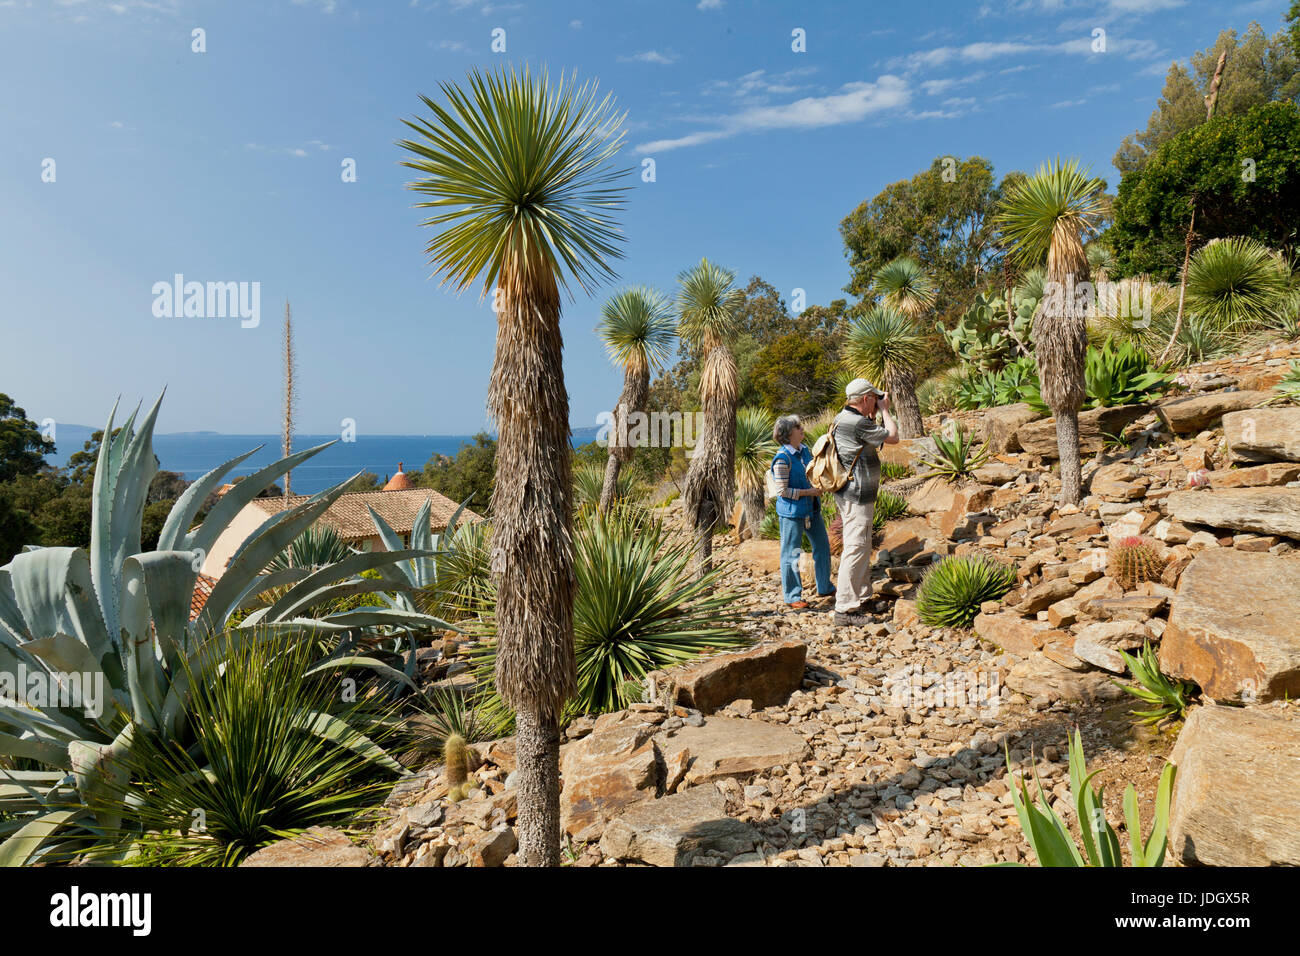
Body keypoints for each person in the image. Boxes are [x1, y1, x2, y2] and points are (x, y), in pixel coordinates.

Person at [832, 378, 900, 626]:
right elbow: (893, 437)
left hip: (851, 493)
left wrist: (875, 412)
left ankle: (861, 598)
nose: (877, 401)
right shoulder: (856, 422)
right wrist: (885, 410)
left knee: (861, 545)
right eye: (874, 398)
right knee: (855, 548)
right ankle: (844, 609)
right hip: (857, 494)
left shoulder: (843, 417)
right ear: (865, 399)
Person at [770, 414, 833, 610]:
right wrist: (810, 492)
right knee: (791, 554)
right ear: (788, 434)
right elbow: (782, 491)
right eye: (798, 427)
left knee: (822, 547)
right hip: (792, 514)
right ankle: (792, 596)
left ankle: (824, 586)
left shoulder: (806, 450)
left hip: (812, 510)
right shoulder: (782, 459)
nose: (802, 429)